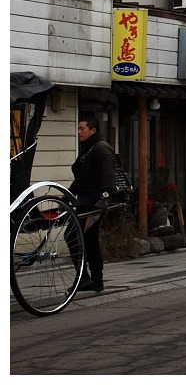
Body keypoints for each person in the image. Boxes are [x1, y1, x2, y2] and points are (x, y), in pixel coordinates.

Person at [70, 116, 116, 292]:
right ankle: (90, 279)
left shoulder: (102, 148)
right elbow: (81, 178)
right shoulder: (89, 148)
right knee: (85, 240)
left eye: (82, 128)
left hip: (94, 203)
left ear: (93, 130)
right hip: (83, 200)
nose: (79, 132)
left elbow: (108, 176)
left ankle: (90, 278)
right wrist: (68, 195)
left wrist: (104, 198)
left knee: (78, 237)